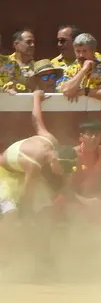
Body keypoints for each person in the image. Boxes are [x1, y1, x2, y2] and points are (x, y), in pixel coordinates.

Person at [0, 89, 78, 219]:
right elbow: (27, 198)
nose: (61, 173)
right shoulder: (34, 164)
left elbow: (37, 122)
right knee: (12, 215)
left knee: (47, 210)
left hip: (22, 173)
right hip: (4, 175)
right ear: (55, 161)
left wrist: (36, 97)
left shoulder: (51, 141)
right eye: (62, 170)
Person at [56, 32, 101, 101]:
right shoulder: (71, 68)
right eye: (78, 51)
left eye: (84, 51)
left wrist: (86, 91)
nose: (81, 55)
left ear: (93, 51)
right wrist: (83, 70)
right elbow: (66, 91)